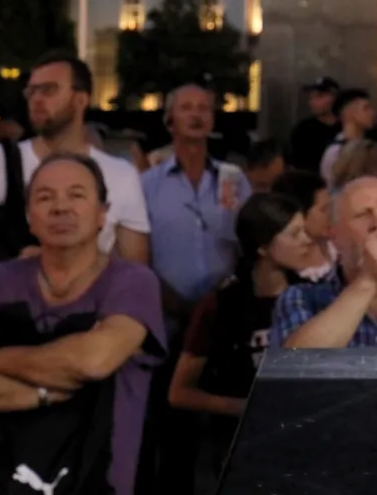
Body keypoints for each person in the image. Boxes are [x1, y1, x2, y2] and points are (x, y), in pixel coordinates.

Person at [0, 154, 165, 495]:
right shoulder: (2, 280)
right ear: (29, 217)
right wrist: (40, 394)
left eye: (77, 195)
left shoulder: (132, 282)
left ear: (102, 213)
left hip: (100, 481)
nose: (60, 207)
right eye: (45, 197)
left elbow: (93, 361)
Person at [137, 85, 249, 495]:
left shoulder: (233, 181)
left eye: (204, 107)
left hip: (223, 326)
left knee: (227, 438)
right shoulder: (147, 184)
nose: (196, 114)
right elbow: (137, 256)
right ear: (169, 119)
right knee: (172, 436)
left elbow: (250, 242)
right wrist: (181, 307)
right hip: (167, 322)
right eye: (186, 107)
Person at [0, 51, 149, 264]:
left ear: (81, 99)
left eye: (48, 90)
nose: (37, 99)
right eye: (31, 91)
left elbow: (136, 269)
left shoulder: (121, 175)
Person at [169, 193, 315, 473]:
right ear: (262, 245)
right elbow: (179, 392)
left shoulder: (312, 296)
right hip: (238, 450)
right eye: (295, 233)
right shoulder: (222, 306)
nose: (307, 241)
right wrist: (245, 407)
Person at [270, 177, 377, 349]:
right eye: (363, 214)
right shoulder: (301, 297)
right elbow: (296, 365)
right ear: (334, 236)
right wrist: (368, 281)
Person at [271, 170, 334, 279]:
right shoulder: (289, 272)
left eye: (330, 207)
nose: (332, 214)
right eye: (324, 210)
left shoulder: (341, 247)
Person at [319, 89, 376, 187]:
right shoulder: (335, 151)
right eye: (366, 108)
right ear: (348, 112)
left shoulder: (371, 145)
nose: (372, 113)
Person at [285, 78, 340, 175]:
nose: (312, 102)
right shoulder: (303, 130)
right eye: (310, 98)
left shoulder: (346, 127)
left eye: (319, 96)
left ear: (334, 98)